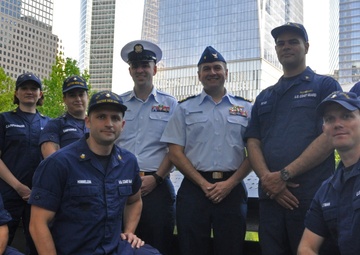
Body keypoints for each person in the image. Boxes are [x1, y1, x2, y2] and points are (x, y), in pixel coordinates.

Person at [244, 22, 342, 255]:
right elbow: (253, 141)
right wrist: (269, 180)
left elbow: (330, 136)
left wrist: (284, 175)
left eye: (293, 42)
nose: (285, 47)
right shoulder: (265, 96)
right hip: (270, 198)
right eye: (280, 43)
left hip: (310, 199)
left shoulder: (325, 85)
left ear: (306, 47)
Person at [28, 91, 161, 255]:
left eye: (115, 118)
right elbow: (37, 223)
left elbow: (134, 201)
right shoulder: (59, 163)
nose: (109, 123)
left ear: (123, 124)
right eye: (101, 117)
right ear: (88, 122)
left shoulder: (128, 162)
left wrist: (129, 232)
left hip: (115, 248)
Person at [160, 46, 252, 255]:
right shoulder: (184, 108)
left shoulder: (246, 109)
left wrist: (229, 184)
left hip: (232, 188)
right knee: (191, 248)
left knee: (231, 248)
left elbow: (254, 152)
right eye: (206, 68)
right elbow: (175, 151)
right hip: (194, 189)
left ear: (226, 73)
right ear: (199, 75)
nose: (212, 72)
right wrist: (203, 184)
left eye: (217, 67)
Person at [116, 40, 177, 255]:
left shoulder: (171, 104)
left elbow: (176, 148)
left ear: (155, 69)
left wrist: (157, 178)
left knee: (159, 243)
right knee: (121, 243)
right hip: (121, 186)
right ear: (130, 70)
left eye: (145, 65)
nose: (140, 70)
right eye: (136, 66)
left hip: (156, 186)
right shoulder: (118, 104)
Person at [297, 91, 360, 254]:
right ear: (324, 129)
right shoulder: (326, 191)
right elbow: (306, 247)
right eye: (330, 119)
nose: (337, 124)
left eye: (346, 116)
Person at [0, 72, 50, 255]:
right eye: (24, 88)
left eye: (34, 88)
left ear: (40, 94)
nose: (29, 92)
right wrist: (18, 187)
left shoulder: (49, 124)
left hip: (38, 197)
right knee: (2, 242)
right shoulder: (4, 119)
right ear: (16, 93)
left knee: (36, 245)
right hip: (7, 193)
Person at [39, 75, 89, 158]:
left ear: (88, 97)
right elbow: (51, 161)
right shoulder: (54, 125)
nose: (78, 99)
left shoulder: (96, 125)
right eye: (72, 95)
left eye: (81, 94)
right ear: (64, 99)